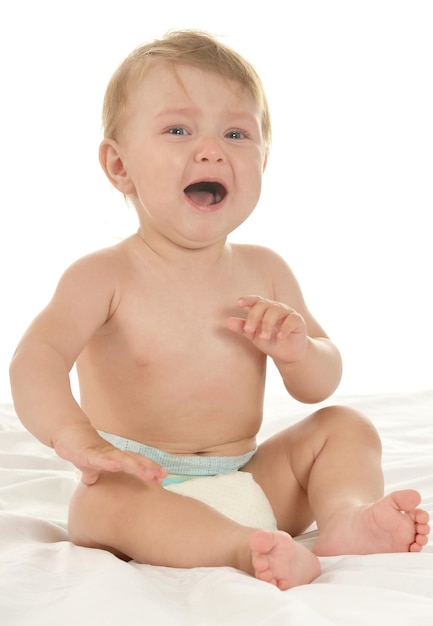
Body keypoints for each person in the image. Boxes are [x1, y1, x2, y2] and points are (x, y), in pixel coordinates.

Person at [9, 30, 429, 591]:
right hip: (143, 483)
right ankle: (242, 550)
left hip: (249, 477)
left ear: (263, 160)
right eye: (178, 129)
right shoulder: (103, 275)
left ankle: (345, 518)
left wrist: (301, 350)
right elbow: (35, 358)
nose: (212, 150)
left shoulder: (266, 269)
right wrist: (76, 437)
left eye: (236, 133)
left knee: (344, 426)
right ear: (119, 165)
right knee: (100, 506)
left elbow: (319, 383)